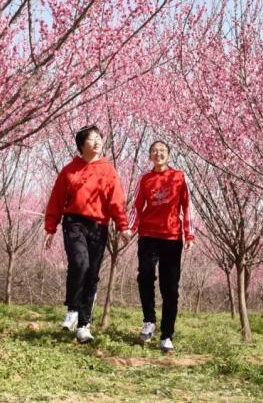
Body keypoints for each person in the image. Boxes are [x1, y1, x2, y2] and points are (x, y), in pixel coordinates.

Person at [44, 124, 132, 343]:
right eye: (92, 139)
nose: (97, 142)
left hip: (99, 225)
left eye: (99, 138)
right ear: (82, 144)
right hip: (74, 222)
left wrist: (122, 226)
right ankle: (73, 309)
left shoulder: (108, 170)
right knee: (79, 263)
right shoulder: (69, 170)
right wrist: (50, 228)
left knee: (91, 274)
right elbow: (56, 199)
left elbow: (116, 200)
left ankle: (84, 325)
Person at [129, 140, 194, 353]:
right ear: (150, 156)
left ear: (169, 155)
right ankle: (149, 320)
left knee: (170, 288)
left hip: (172, 237)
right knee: (145, 276)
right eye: (155, 151)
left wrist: (189, 234)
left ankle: (167, 336)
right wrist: (131, 228)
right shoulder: (145, 179)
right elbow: (137, 206)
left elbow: (186, 206)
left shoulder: (179, 177)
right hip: (148, 235)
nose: (159, 154)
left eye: (163, 151)